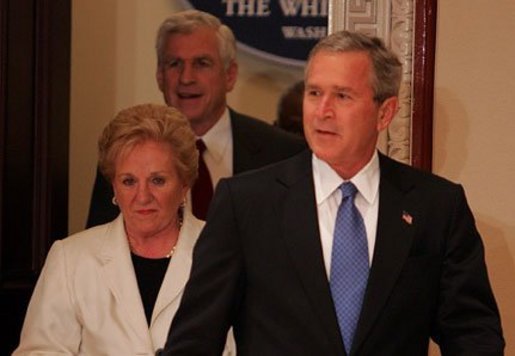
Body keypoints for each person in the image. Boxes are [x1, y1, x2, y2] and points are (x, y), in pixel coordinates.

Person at [158, 31, 505, 355]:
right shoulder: (246, 202)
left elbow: (473, 336)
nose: (322, 112)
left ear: (385, 113)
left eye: (342, 96)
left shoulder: (436, 207)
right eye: (314, 93)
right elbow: (194, 341)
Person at [13, 104, 234, 355]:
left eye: (157, 180)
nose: (142, 197)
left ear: (184, 184)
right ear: (114, 187)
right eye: (129, 181)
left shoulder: (223, 253)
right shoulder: (70, 258)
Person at [86, 10, 306, 226]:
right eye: (174, 64)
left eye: (202, 63)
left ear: (229, 75)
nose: (186, 77)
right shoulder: (122, 156)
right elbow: (100, 251)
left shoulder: (284, 154)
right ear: (160, 76)